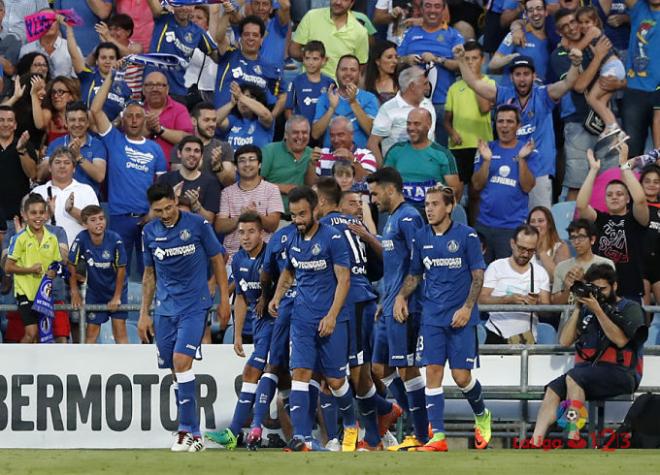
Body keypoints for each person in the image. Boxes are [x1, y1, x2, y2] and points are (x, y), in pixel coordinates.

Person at [394, 184, 491, 451]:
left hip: (461, 318)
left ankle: (482, 415)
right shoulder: (420, 236)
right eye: (427, 204)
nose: (429, 208)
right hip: (432, 318)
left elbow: (478, 276)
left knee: (461, 377)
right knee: (433, 372)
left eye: (435, 204)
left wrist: (467, 308)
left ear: (450, 207)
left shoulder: (467, 236)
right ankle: (438, 437)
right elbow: (415, 274)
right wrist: (401, 296)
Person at [138, 183, 230, 452]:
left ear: (175, 200)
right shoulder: (149, 232)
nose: (165, 214)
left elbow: (218, 259)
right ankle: (195, 431)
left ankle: (185, 432)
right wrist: (144, 313)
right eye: (159, 210)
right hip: (165, 309)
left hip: (195, 304)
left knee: (181, 361)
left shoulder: (198, 224)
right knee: (174, 369)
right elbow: (149, 274)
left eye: (169, 207)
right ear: (151, 210)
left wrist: (223, 300)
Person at [267, 186, 357, 452]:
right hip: (302, 319)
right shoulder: (292, 239)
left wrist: (331, 315)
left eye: (302, 214)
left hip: (331, 320)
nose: (298, 220)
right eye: (293, 215)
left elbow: (344, 279)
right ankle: (302, 437)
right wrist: (276, 296)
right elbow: (289, 271)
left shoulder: (333, 238)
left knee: (336, 381)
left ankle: (351, 426)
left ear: (315, 209)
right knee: (300, 374)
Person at [316, 178, 399, 450]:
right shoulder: (357, 225)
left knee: (350, 374)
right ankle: (379, 423)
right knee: (357, 371)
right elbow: (379, 268)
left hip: (349, 301)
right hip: (362, 298)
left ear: (323, 202)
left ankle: (371, 431)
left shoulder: (324, 228)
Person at [455, 44, 583, 209]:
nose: (522, 79)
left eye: (526, 74)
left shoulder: (544, 95)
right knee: (513, 223)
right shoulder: (503, 94)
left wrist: (575, 64)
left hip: (540, 172)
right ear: (511, 77)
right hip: (510, 171)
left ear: (534, 75)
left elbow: (568, 83)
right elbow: (474, 83)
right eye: (518, 74)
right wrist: (460, 60)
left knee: (540, 223)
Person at [531, 264, 647, 445]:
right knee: (553, 389)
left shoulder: (629, 308)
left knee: (574, 377)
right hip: (589, 372)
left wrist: (599, 310)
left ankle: (572, 438)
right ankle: (535, 441)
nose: (598, 293)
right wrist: (578, 307)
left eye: (603, 289)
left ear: (614, 286)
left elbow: (621, 341)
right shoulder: (586, 310)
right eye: (595, 289)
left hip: (622, 373)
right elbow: (564, 341)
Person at [366, 167, 430, 451]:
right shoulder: (391, 218)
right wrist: (385, 299)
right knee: (380, 367)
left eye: (375, 193)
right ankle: (417, 423)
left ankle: (422, 433)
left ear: (390, 189)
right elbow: (394, 266)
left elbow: (418, 262)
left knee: (406, 367)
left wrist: (402, 297)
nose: (373, 199)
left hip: (406, 305)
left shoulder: (410, 217)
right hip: (389, 304)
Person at [206, 212, 273, 449]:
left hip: (280, 322)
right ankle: (252, 428)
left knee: (254, 370)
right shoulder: (238, 260)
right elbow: (242, 298)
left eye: (251, 231)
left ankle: (245, 429)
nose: (245, 237)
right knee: (273, 376)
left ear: (261, 233)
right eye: (241, 232)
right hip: (260, 325)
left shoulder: (273, 255)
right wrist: (236, 334)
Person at [91, 69, 167, 276]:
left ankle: (148, 309)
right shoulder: (114, 139)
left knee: (149, 271)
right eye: (130, 116)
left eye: (138, 116)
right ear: (123, 120)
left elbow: (160, 187)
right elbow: (96, 110)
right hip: (119, 218)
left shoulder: (155, 149)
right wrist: (110, 77)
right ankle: (117, 308)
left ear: (145, 120)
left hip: (148, 217)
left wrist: (154, 212)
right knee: (117, 270)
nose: (134, 120)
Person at [550, 8, 623, 201]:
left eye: (573, 22)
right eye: (564, 26)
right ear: (558, 32)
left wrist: (620, 83)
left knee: (611, 183)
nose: (571, 27)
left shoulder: (594, 41)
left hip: (606, 119)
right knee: (577, 184)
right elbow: (578, 85)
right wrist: (598, 57)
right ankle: (572, 230)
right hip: (578, 122)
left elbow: (618, 69)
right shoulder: (559, 54)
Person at [245, 222, 298, 450]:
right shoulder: (288, 237)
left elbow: (266, 274)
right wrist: (268, 298)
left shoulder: (279, 238)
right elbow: (267, 273)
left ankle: (257, 426)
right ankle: (312, 438)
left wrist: (267, 297)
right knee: (302, 376)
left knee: (276, 367)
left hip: (288, 308)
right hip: (302, 306)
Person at [576, 144, 650, 302]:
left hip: (630, 292)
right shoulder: (599, 219)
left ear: (627, 199)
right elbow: (581, 205)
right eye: (609, 194)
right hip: (600, 292)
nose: (614, 197)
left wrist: (625, 166)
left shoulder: (635, 219)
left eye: (619, 194)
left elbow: (641, 200)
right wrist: (593, 171)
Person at [471, 105, 538, 263]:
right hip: (484, 225)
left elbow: (527, 186)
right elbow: (476, 185)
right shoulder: (486, 149)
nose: (504, 125)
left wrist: (521, 159)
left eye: (509, 121)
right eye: (500, 121)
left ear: (518, 125)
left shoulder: (528, 151)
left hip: (512, 227)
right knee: (480, 274)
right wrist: (486, 161)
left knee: (506, 277)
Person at [397, 0, 464, 145]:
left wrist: (438, 60)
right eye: (428, 6)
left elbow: (462, 66)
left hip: (443, 102)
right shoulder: (410, 33)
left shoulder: (454, 35)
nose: (432, 10)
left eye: (437, 6)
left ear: (444, 9)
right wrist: (406, 59)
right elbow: (394, 60)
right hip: (412, 102)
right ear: (421, 9)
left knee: (441, 152)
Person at [444, 40, 493, 224]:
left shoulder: (488, 84)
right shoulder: (454, 88)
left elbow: (484, 108)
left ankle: (475, 229)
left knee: (476, 191)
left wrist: (476, 82)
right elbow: (446, 120)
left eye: (474, 58)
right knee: (455, 192)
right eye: (467, 59)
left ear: (482, 60)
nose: (471, 62)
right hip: (459, 146)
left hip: (482, 146)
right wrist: (452, 132)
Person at [479, 224, 551, 343]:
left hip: (526, 339)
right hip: (495, 333)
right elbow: (481, 299)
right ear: (512, 243)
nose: (525, 254)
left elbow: (547, 310)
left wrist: (536, 303)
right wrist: (506, 300)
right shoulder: (496, 267)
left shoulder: (540, 273)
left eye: (530, 250)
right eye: (521, 248)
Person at [5, 194, 61, 344]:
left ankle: (35, 367)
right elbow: (8, 267)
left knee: (41, 336)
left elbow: (56, 265)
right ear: (24, 215)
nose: (38, 217)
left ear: (47, 214)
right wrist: (30, 269)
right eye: (33, 213)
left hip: (44, 295)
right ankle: (15, 367)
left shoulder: (52, 238)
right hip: (25, 294)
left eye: (41, 212)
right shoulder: (19, 238)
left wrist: (53, 272)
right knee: (31, 333)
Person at [68, 205, 128, 344]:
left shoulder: (115, 239)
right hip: (95, 292)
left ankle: (126, 366)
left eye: (101, 218)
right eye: (93, 220)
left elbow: (121, 269)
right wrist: (74, 291)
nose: (99, 223)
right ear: (84, 224)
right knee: (91, 334)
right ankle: (90, 366)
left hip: (116, 290)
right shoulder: (81, 238)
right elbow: (71, 263)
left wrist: (117, 297)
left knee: (120, 332)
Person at [384, 108, 460, 213]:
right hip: (400, 210)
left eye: (416, 124)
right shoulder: (395, 150)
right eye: (409, 124)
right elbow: (383, 182)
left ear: (429, 125)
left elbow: (454, 188)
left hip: (431, 210)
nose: (411, 128)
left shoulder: (443, 154)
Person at [216, 145, 284, 262]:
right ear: (236, 167)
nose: (247, 164)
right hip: (232, 257)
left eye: (252, 159)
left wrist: (255, 215)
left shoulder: (272, 189)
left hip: (263, 257)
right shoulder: (227, 192)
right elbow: (219, 226)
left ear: (260, 164)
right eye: (242, 161)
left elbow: (273, 225)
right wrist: (240, 218)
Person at [146, 0, 219, 102]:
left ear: (193, 6)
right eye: (180, 4)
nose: (184, 8)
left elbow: (216, 55)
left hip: (177, 90)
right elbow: (156, 8)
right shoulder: (164, 18)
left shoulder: (198, 32)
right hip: (153, 83)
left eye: (187, 4)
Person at [575, 6, 628, 143]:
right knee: (601, 102)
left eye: (587, 22)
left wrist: (569, 46)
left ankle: (613, 126)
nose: (584, 26)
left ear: (595, 22)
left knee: (592, 98)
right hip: (614, 68)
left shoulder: (594, 31)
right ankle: (617, 133)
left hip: (612, 68)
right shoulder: (593, 33)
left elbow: (579, 47)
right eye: (580, 23)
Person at [64, 22, 132, 122]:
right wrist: (69, 30)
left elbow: (125, 115)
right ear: (96, 61)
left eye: (111, 58)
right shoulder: (88, 76)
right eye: (103, 57)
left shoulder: (125, 88)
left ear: (117, 60)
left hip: (112, 133)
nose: (107, 61)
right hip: (88, 130)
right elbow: (74, 55)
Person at [368, 65, 436, 166]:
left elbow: (432, 136)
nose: (428, 87)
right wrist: (385, 170)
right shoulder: (388, 108)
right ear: (412, 86)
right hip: (399, 170)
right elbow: (372, 144)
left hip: (427, 167)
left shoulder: (428, 104)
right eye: (425, 84)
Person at [32, 147, 99, 246]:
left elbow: (96, 225)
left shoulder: (86, 190)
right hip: (45, 253)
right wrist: (47, 214)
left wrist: (72, 210)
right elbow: (28, 227)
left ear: (74, 169)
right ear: (50, 168)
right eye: (57, 162)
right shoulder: (37, 192)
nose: (62, 166)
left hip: (79, 252)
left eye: (67, 163)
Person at [214, 14, 282, 111]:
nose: (250, 38)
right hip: (225, 120)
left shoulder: (270, 68)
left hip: (253, 123)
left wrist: (270, 118)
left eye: (255, 35)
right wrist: (227, 13)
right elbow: (219, 38)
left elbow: (277, 99)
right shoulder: (229, 55)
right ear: (240, 37)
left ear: (262, 39)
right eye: (246, 34)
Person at [289, 0, 369, 80]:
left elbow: (361, 67)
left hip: (339, 89)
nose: (338, 2)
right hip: (309, 86)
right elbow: (293, 50)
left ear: (352, 3)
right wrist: (312, 60)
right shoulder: (311, 17)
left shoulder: (360, 32)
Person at [312, 54, 379, 149]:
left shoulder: (370, 98)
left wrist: (353, 103)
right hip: (330, 157)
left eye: (353, 70)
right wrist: (331, 108)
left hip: (360, 157)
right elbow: (315, 134)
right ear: (336, 72)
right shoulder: (325, 98)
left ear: (359, 74)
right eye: (343, 69)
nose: (348, 73)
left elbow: (372, 132)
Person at [42, 101, 107, 198]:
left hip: (88, 203)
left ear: (87, 123)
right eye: (72, 120)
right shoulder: (55, 144)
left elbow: (99, 176)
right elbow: (40, 175)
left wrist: (78, 156)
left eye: (81, 120)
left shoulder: (97, 145)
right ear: (66, 123)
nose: (77, 124)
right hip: (59, 200)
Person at [621, 0, 660, 158]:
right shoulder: (639, 8)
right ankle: (630, 180)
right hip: (635, 90)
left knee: (658, 154)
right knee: (631, 154)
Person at [158, 135, 221, 224]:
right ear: (179, 153)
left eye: (196, 151)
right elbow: (155, 213)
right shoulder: (165, 179)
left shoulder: (211, 183)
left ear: (201, 156)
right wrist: (171, 199)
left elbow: (209, 220)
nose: (192, 154)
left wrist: (196, 206)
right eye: (188, 150)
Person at [551, 219, 615, 305]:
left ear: (592, 239)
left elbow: (609, 296)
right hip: (569, 316)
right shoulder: (561, 267)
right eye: (573, 238)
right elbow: (555, 303)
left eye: (581, 237)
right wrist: (570, 288)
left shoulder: (606, 264)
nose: (576, 242)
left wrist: (583, 282)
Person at [489, 0, 550, 88]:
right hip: (511, 94)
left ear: (546, 12)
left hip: (538, 95)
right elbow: (493, 64)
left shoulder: (552, 37)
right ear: (526, 14)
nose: (535, 13)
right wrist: (510, 58)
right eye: (530, 10)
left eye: (539, 9)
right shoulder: (516, 34)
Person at [260, 115, 315, 213]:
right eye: (295, 132)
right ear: (286, 134)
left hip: (303, 216)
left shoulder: (313, 154)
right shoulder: (270, 151)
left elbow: (312, 187)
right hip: (273, 216)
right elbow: (255, 183)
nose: (300, 136)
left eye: (304, 132)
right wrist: (282, 188)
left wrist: (312, 164)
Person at [177, 102, 235, 187]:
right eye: (206, 120)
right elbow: (176, 181)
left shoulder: (224, 147)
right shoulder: (182, 147)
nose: (212, 124)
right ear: (194, 121)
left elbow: (229, 183)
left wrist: (218, 168)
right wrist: (195, 167)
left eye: (214, 120)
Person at [143, 72, 194, 165]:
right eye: (150, 85)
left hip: (170, 174)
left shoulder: (179, 109)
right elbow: (128, 138)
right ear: (143, 90)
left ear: (167, 89)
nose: (154, 89)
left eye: (159, 85)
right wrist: (147, 128)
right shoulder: (136, 110)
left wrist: (159, 129)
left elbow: (187, 138)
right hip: (140, 171)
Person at [0, 107, 37, 229]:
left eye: (10, 120)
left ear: (15, 125)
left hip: (18, 218)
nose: (6, 124)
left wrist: (21, 151)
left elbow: (32, 174)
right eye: (1, 120)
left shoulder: (25, 145)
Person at [284, 41, 335, 127]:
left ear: (324, 60)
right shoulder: (296, 82)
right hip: (302, 133)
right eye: (307, 58)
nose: (310, 62)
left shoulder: (330, 83)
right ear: (303, 59)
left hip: (324, 131)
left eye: (315, 59)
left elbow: (335, 109)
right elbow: (288, 109)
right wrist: (296, 128)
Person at [19, 9, 79, 78]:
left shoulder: (71, 49)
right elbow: (22, 79)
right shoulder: (26, 50)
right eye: (44, 21)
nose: (48, 24)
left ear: (58, 23)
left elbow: (78, 78)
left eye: (52, 20)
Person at [314, 117, 378, 181]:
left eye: (340, 135)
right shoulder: (322, 154)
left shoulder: (366, 155)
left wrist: (353, 160)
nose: (336, 140)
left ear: (351, 134)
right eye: (332, 135)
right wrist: (311, 164)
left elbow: (368, 183)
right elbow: (313, 185)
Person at [216, 82, 274, 151]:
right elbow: (215, 121)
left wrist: (240, 96)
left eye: (248, 97)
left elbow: (265, 114)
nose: (242, 101)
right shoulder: (233, 120)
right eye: (239, 99)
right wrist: (231, 103)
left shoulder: (263, 122)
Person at [31, 75, 81, 145]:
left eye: (60, 92)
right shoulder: (48, 114)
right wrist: (33, 94)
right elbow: (39, 125)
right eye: (53, 92)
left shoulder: (81, 116)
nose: (55, 96)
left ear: (71, 96)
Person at [528, 206, 570, 281]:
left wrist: (540, 250)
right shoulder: (524, 246)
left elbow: (558, 278)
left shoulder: (560, 247)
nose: (536, 224)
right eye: (532, 221)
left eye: (540, 221)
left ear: (549, 224)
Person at [640, 165, 660, 305]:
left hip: (659, 265)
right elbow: (625, 169)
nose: (651, 185)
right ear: (640, 184)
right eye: (647, 181)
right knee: (642, 314)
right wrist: (627, 162)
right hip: (639, 266)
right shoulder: (633, 207)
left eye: (656, 181)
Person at [363, 40, 399, 105]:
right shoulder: (366, 82)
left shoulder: (399, 81)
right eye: (389, 57)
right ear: (377, 61)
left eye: (396, 57)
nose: (395, 61)